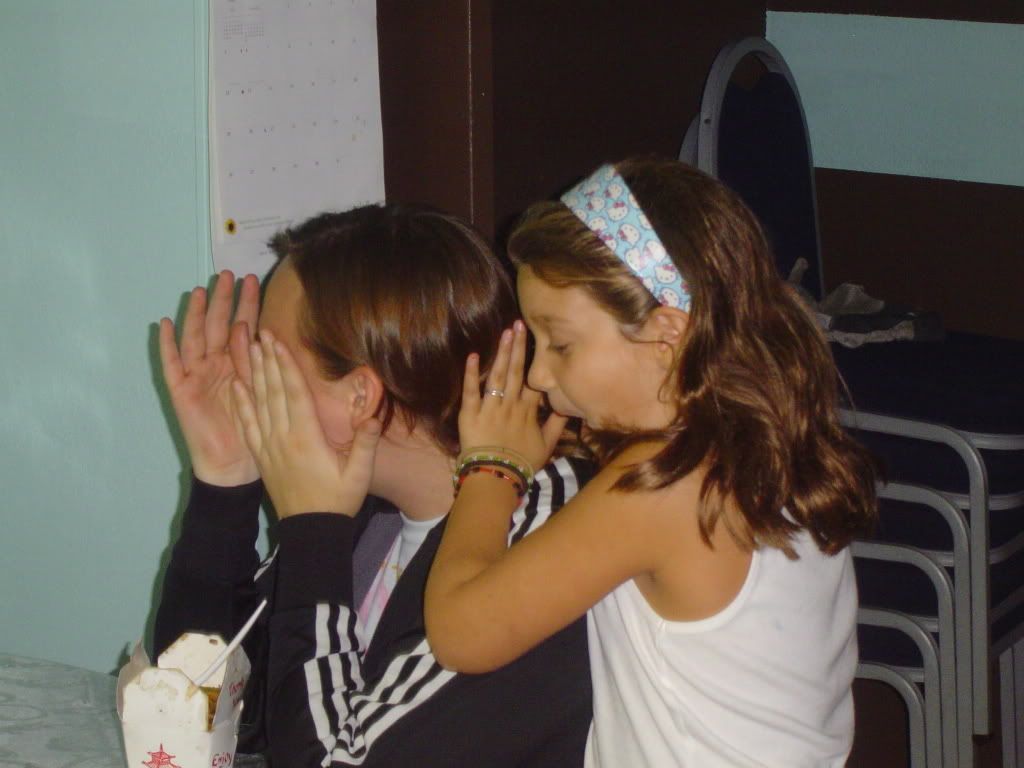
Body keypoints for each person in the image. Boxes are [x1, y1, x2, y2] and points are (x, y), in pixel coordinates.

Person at [423, 157, 878, 767]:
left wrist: (491, 468)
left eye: (560, 343)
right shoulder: (768, 433)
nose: (538, 374)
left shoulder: (661, 485)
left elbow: (462, 634)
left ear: (667, 336)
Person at [153, 204, 593, 767]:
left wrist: (313, 531)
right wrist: (226, 481)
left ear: (360, 397)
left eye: (266, 356)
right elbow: (196, 703)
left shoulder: (539, 543)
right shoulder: (371, 516)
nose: (245, 375)